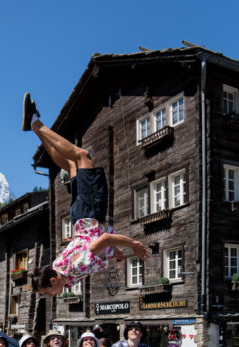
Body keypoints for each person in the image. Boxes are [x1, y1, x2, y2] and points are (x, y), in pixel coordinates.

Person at [23, 93, 150, 297]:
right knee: (71, 165)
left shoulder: (76, 268)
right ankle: (35, 125)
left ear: (53, 281)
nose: (51, 295)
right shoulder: (59, 268)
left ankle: (36, 125)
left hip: (90, 213)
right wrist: (112, 253)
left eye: (48, 292)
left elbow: (104, 238)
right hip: (79, 219)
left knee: (82, 156)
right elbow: (90, 245)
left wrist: (134, 244)